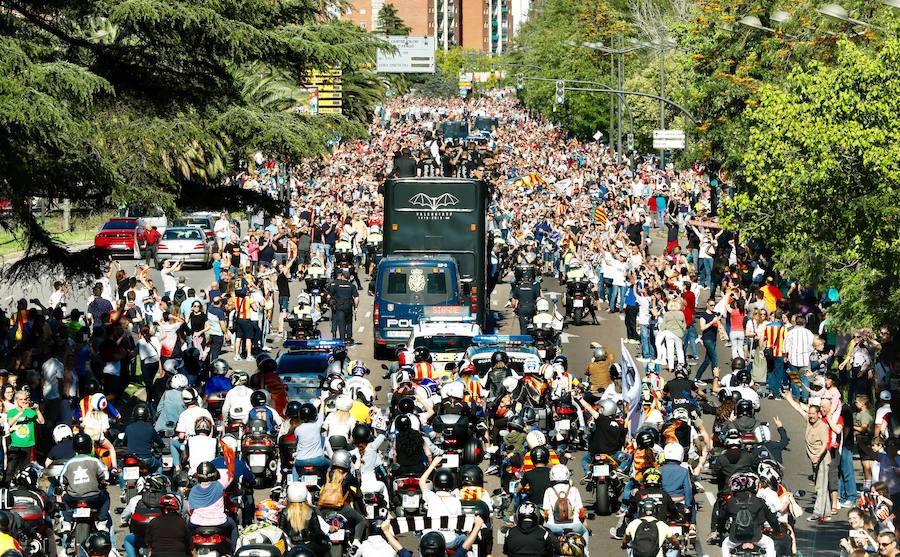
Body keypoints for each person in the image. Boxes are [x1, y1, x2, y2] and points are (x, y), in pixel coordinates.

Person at [60, 433, 112, 530]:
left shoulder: (69, 463)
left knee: (64, 499)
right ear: (89, 446)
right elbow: (106, 476)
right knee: (106, 498)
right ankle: (102, 522)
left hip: (73, 498)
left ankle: (67, 522)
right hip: (94, 497)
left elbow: (62, 480)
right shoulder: (95, 461)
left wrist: (65, 487)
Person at [720, 473, 780, 557]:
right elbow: (771, 518)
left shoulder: (730, 502)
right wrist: (777, 531)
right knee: (769, 544)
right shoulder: (758, 501)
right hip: (756, 537)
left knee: (725, 545)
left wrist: (720, 530)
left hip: (735, 538)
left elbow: (721, 518)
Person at [542, 464, 590, 554]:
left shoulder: (548, 491)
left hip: (553, 527)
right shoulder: (574, 490)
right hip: (574, 526)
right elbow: (581, 512)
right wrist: (585, 524)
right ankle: (586, 553)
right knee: (585, 532)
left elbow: (546, 513)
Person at [280, 483, 328, 557]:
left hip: (291, 547)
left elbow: (281, 532)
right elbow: (317, 532)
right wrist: (325, 538)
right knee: (327, 547)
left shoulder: (284, 511)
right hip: (309, 546)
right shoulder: (311, 510)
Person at [328, 269, 358, 343]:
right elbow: (356, 298)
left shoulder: (336, 285)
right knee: (349, 322)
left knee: (342, 323)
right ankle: (349, 338)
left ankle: (342, 339)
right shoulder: (352, 285)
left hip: (340, 307)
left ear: (342, 276)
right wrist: (356, 307)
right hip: (348, 306)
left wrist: (329, 302)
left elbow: (329, 296)